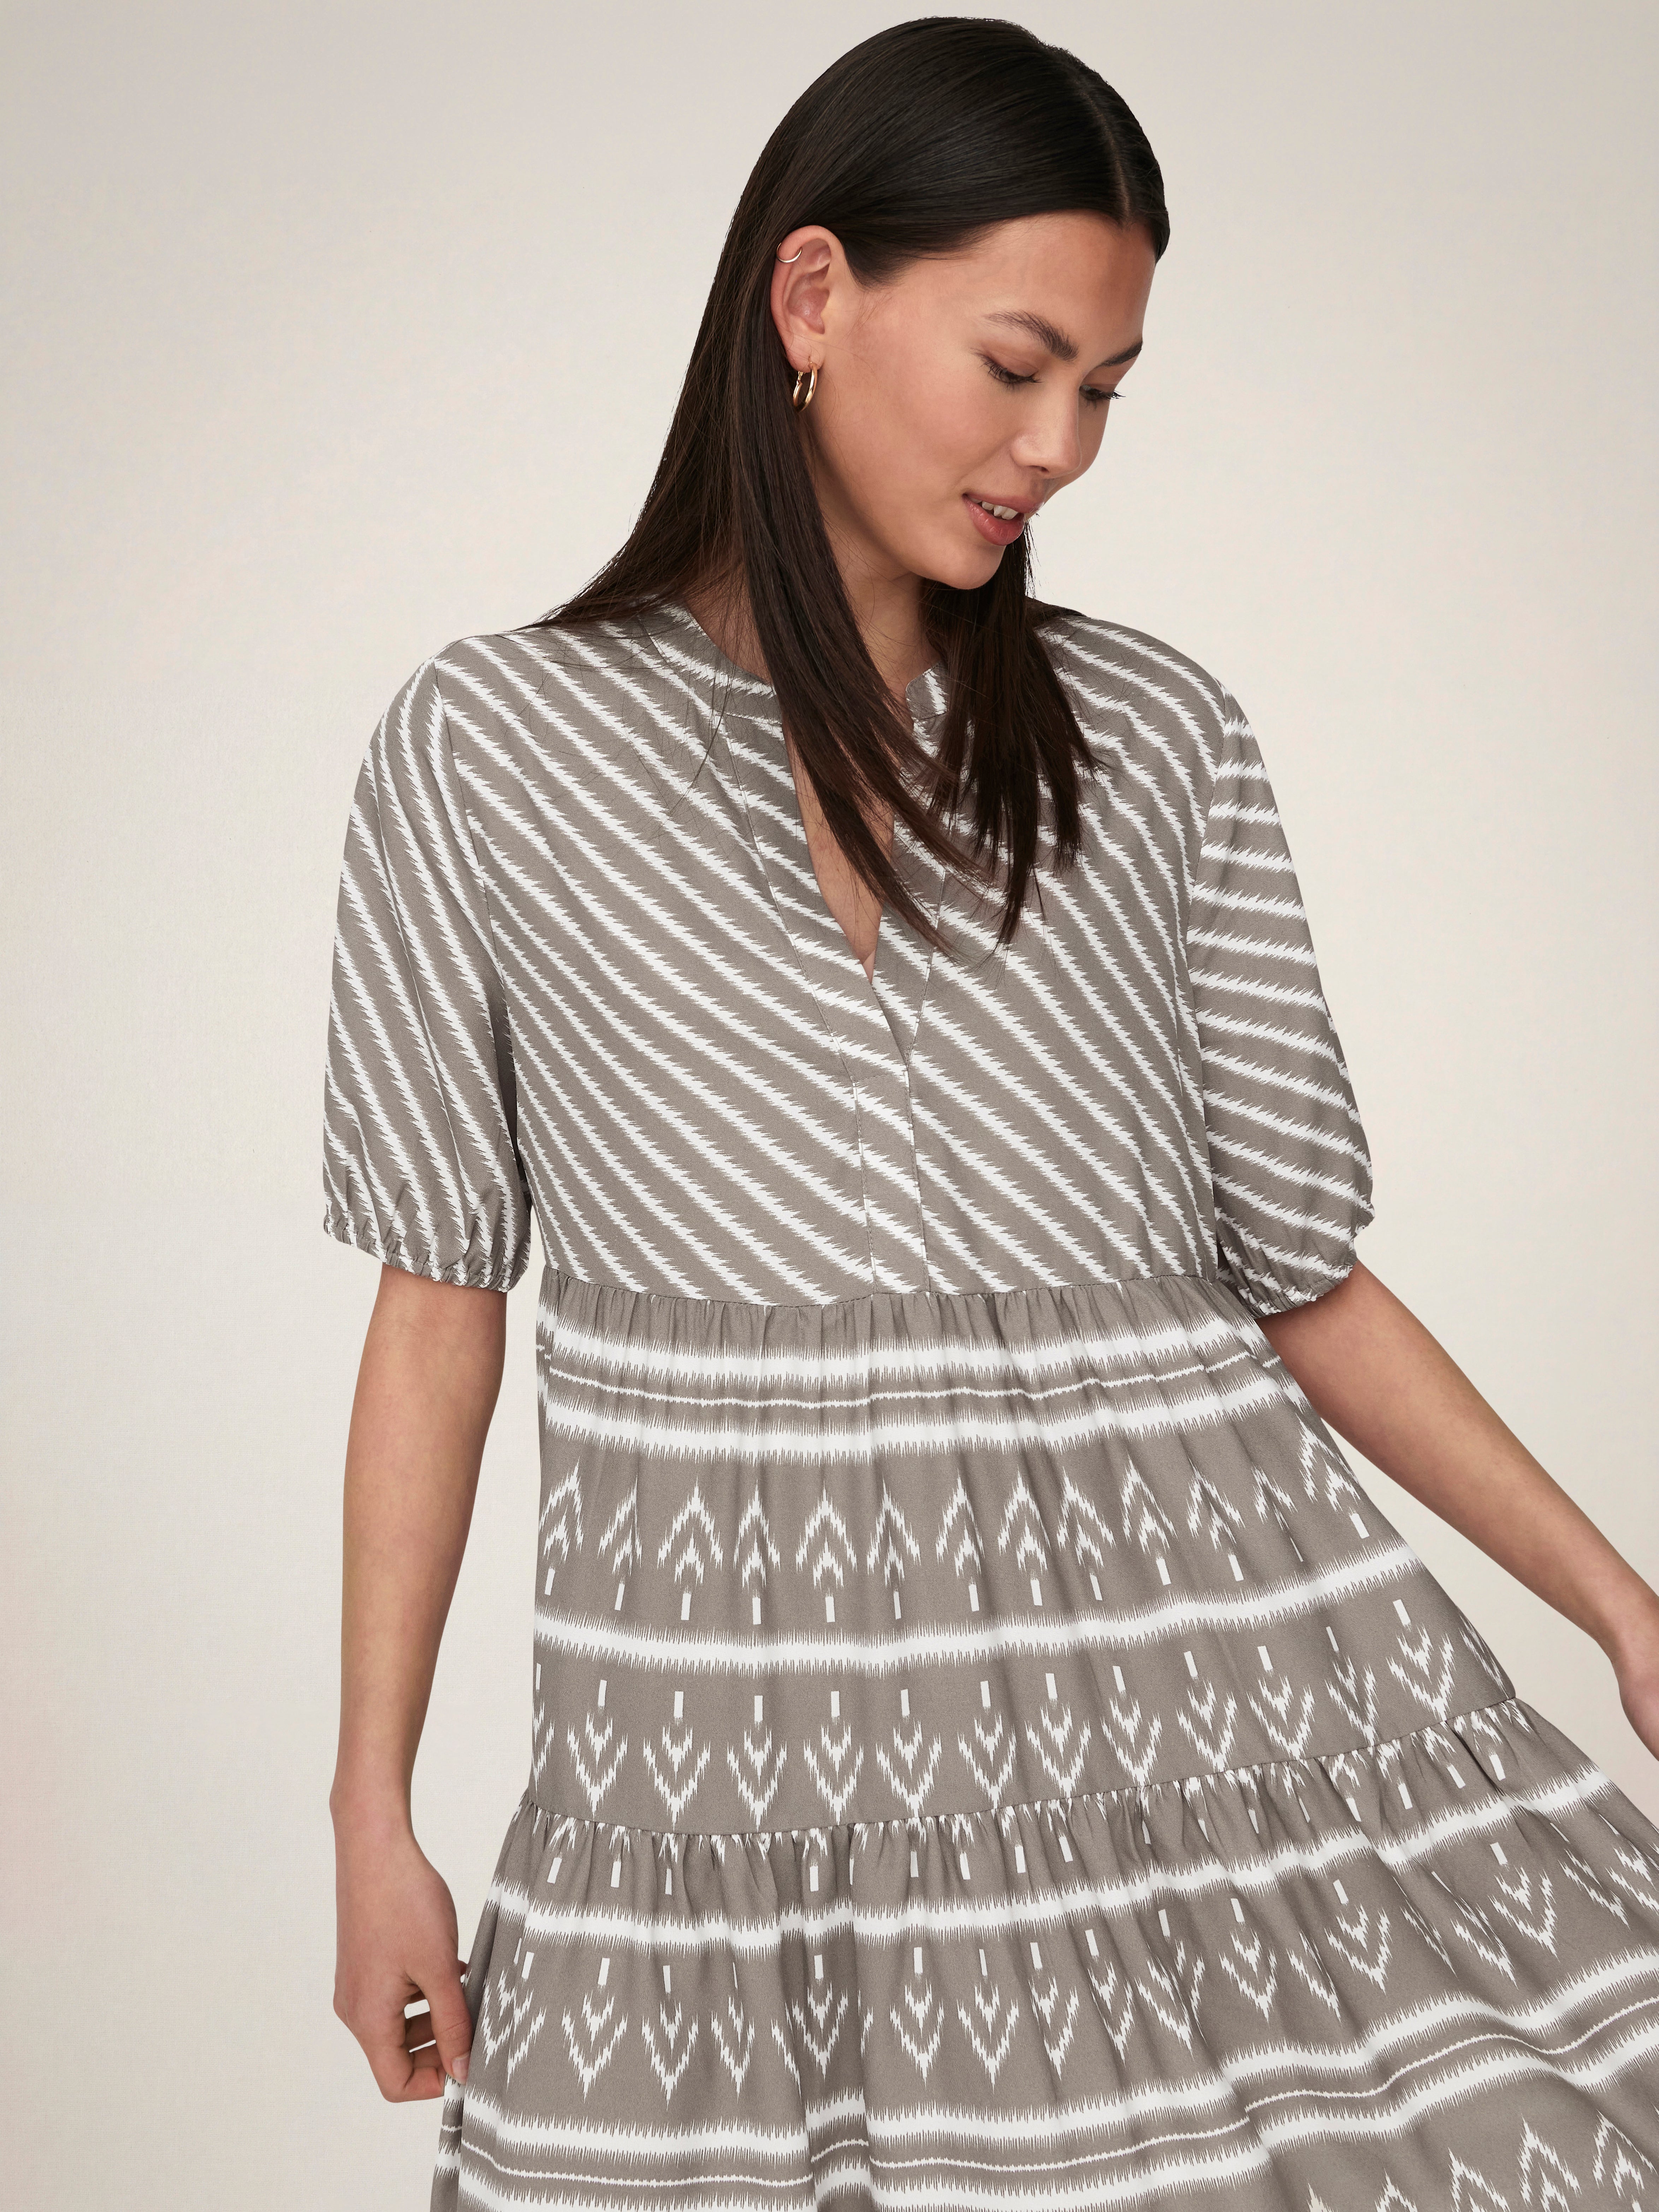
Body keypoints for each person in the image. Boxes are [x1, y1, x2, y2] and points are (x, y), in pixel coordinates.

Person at [320, 18, 1659, 2208]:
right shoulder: (488, 750)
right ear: (813, 297)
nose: (1063, 445)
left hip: (1232, 1747)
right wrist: (370, 1812)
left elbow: (1300, 1277)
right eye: (1021, 364)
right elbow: (437, 1303)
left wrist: (1621, 1603)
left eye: (1107, 388)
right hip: (729, 1792)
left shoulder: (1155, 737)